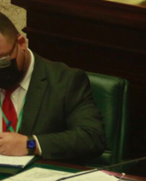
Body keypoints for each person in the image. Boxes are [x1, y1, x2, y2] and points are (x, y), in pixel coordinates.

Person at [0, 12, 105, 160]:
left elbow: (91, 138)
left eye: (2, 61)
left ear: (21, 43)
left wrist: (31, 144)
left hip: (38, 177)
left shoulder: (65, 81)